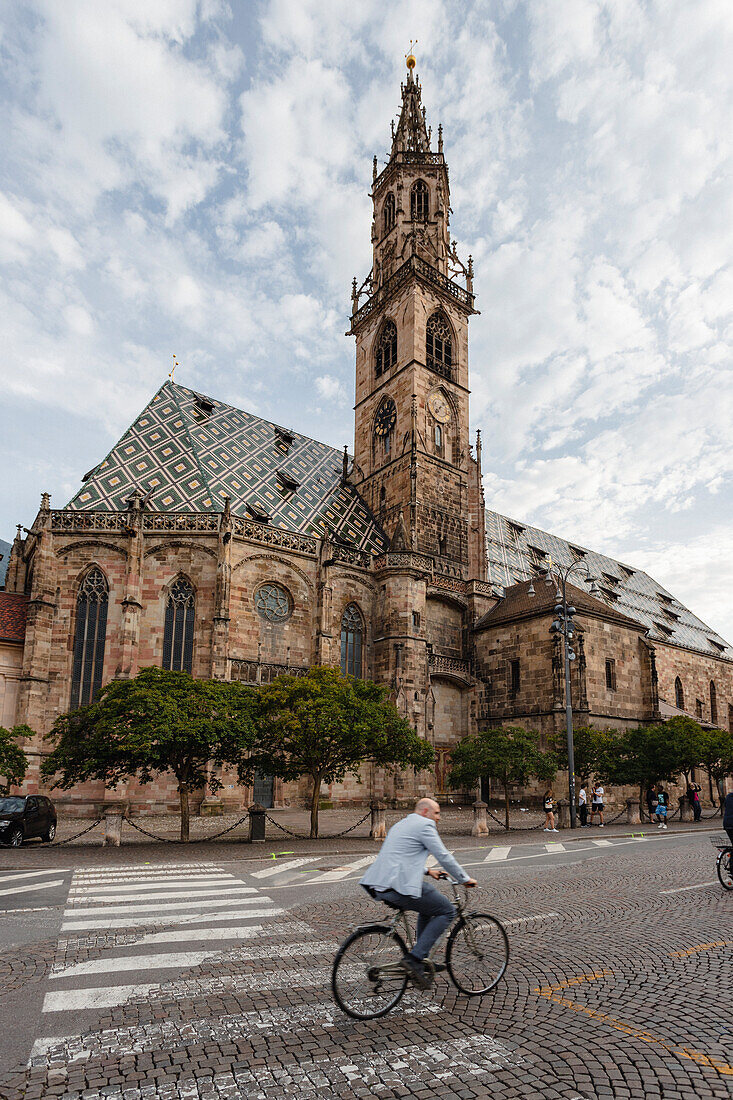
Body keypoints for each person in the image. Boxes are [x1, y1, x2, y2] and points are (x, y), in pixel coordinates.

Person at [360, 798, 477, 989]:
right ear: (424, 811)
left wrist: (427, 871)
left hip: (380, 883)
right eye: (436, 813)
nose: (438, 818)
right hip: (399, 886)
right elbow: (444, 856)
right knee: (447, 910)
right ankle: (415, 959)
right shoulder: (425, 825)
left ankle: (422, 957)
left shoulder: (402, 824)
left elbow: (400, 855)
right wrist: (464, 878)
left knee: (429, 905)